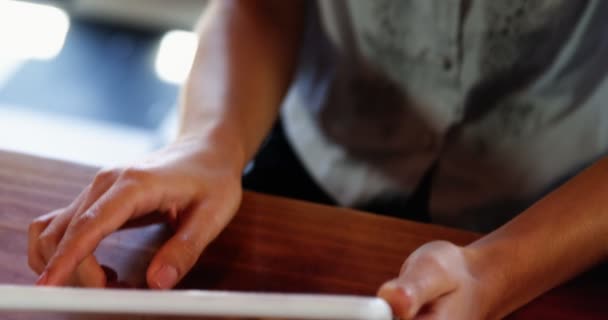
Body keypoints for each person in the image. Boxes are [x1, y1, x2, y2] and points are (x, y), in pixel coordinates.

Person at [28, 1, 608, 319]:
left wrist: (494, 273)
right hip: (315, 155)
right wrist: (209, 142)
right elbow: (261, 8)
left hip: (563, 220)